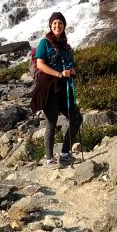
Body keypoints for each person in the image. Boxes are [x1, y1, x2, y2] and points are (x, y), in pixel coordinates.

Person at [31, 11, 82, 166]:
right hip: (48, 87)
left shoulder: (66, 47)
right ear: (50, 26)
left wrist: (72, 71)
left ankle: (65, 153)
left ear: (64, 25)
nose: (57, 26)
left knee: (76, 118)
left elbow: (71, 65)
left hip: (63, 87)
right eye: (54, 23)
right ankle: (49, 158)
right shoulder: (44, 43)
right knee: (51, 122)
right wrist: (59, 73)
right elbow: (40, 64)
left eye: (60, 23)